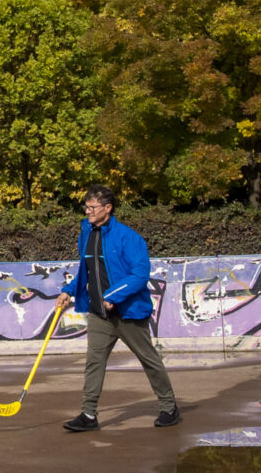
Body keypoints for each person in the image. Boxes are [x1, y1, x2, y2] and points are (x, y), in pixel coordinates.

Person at [55, 184, 180, 431]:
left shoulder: (129, 237)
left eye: (93, 207)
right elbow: (86, 270)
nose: (88, 211)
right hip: (99, 314)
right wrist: (68, 291)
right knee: (94, 362)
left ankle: (169, 407)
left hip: (128, 312)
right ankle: (88, 415)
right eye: (86, 207)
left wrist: (113, 296)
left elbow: (140, 274)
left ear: (108, 208)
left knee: (148, 360)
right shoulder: (86, 234)